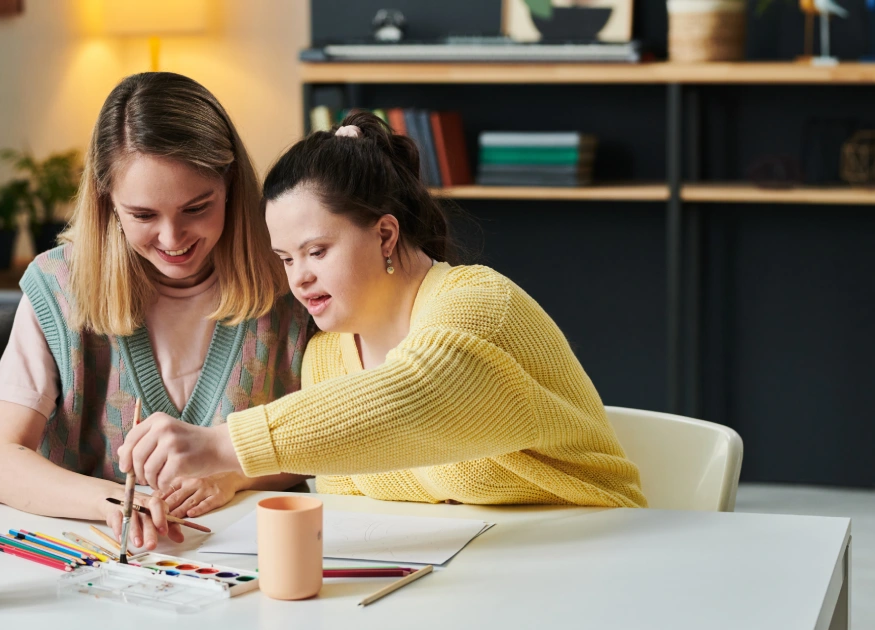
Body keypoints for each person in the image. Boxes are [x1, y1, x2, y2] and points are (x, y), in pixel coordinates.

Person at [118, 111, 646, 508]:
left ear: (385, 233)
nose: (298, 277)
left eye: (317, 251)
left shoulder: (478, 303)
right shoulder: (325, 359)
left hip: (602, 554)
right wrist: (231, 478)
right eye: (285, 258)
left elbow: (418, 395)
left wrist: (224, 445)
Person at [0, 73, 313, 550]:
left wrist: (235, 477)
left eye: (197, 207)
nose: (173, 240)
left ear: (231, 184)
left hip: (257, 556)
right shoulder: (58, 287)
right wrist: (111, 502)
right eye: (143, 216)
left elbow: (337, 436)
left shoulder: (292, 278)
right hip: (99, 564)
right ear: (107, 202)